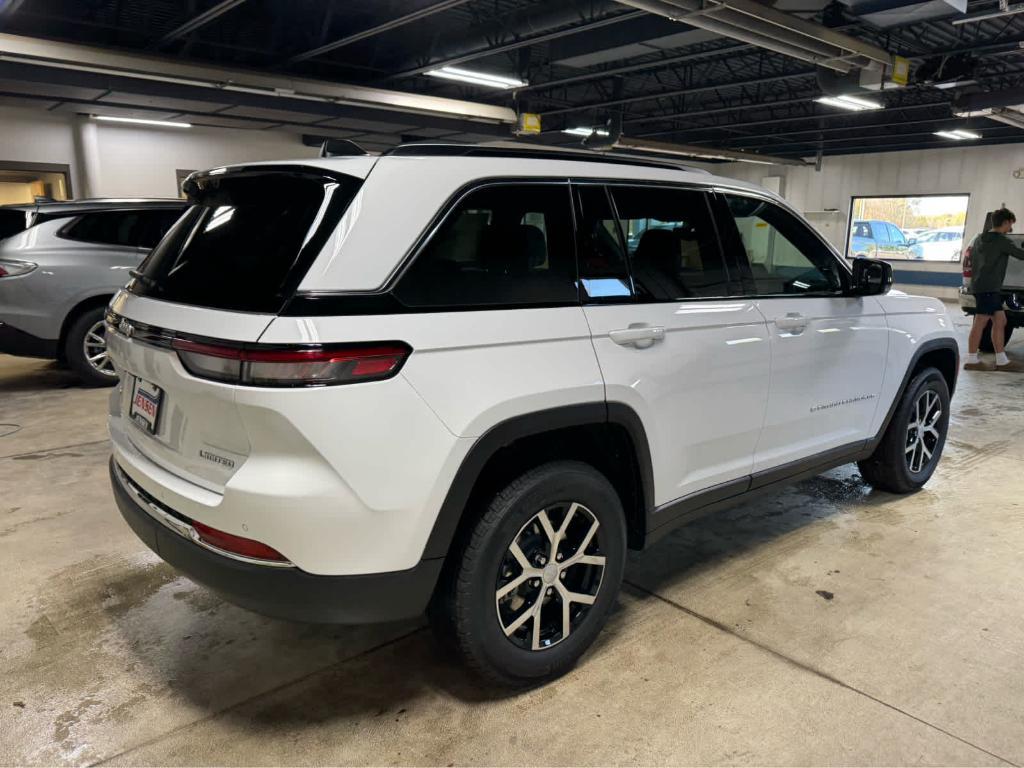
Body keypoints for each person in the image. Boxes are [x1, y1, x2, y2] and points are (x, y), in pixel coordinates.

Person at [964, 208, 1024, 372]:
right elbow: (1020, 254)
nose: (1010, 228)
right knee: (980, 323)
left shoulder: (979, 239)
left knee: (1000, 321)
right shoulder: (1001, 240)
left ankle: (1002, 360)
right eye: (1010, 224)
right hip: (989, 287)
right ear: (1005, 222)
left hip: (981, 285)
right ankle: (971, 360)